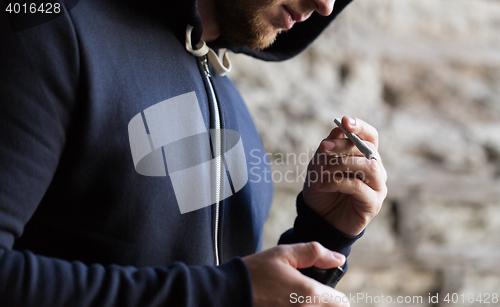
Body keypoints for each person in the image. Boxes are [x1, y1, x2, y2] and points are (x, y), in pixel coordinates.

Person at [0, 0, 387, 306]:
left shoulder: (230, 103)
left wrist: (323, 232)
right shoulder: (50, 31)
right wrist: (227, 294)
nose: (325, 5)